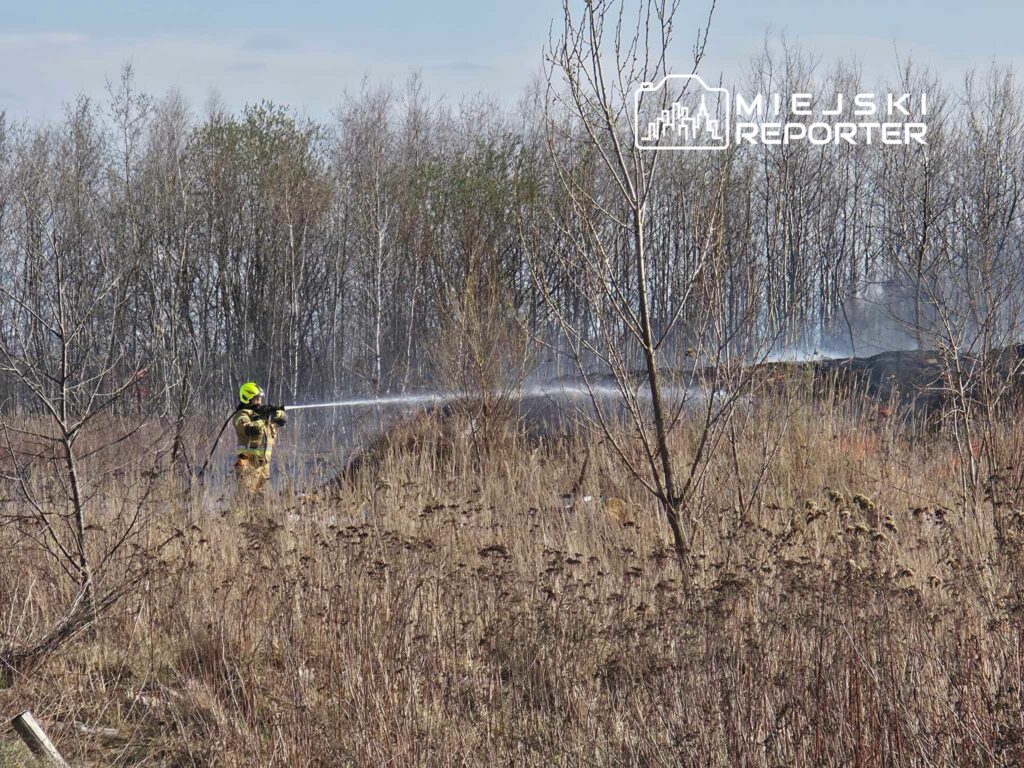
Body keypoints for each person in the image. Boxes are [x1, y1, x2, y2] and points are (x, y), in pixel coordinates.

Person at [233, 382, 287, 498]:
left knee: (262, 499)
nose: (259, 401)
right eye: (256, 399)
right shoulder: (242, 415)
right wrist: (263, 417)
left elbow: (282, 420)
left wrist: (277, 413)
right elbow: (250, 430)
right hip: (248, 464)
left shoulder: (262, 413)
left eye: (260, 398)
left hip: (263, 465)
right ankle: (237, 516)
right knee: (245, 498)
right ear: (247, 399)